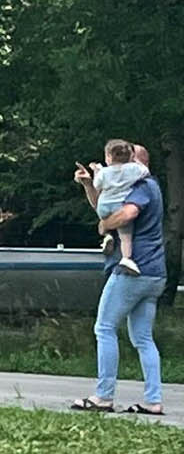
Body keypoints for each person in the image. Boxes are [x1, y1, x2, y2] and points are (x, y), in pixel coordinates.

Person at [72, 138, 166, 415]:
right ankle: (153, 401)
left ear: (138, 162)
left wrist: (104, 225)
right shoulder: (133, 185)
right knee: (143, 338)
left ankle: (104, 396)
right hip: (154, 273)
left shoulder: (143, 186)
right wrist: (89, 185)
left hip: (133, 270)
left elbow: (126, 214)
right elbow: (105, 205)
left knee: (104, 328)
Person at [90, 140, 150, 274]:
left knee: (106, 222)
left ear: (109, 157)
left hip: (103, 206)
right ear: (130, 157)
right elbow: (146, 171)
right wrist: (136, 162)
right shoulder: (133, 169)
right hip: (120, 205)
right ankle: (127, 258)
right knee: (125, 236)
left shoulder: (104, 172)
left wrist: (96, 171)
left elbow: (96, 185)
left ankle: (107, 236)